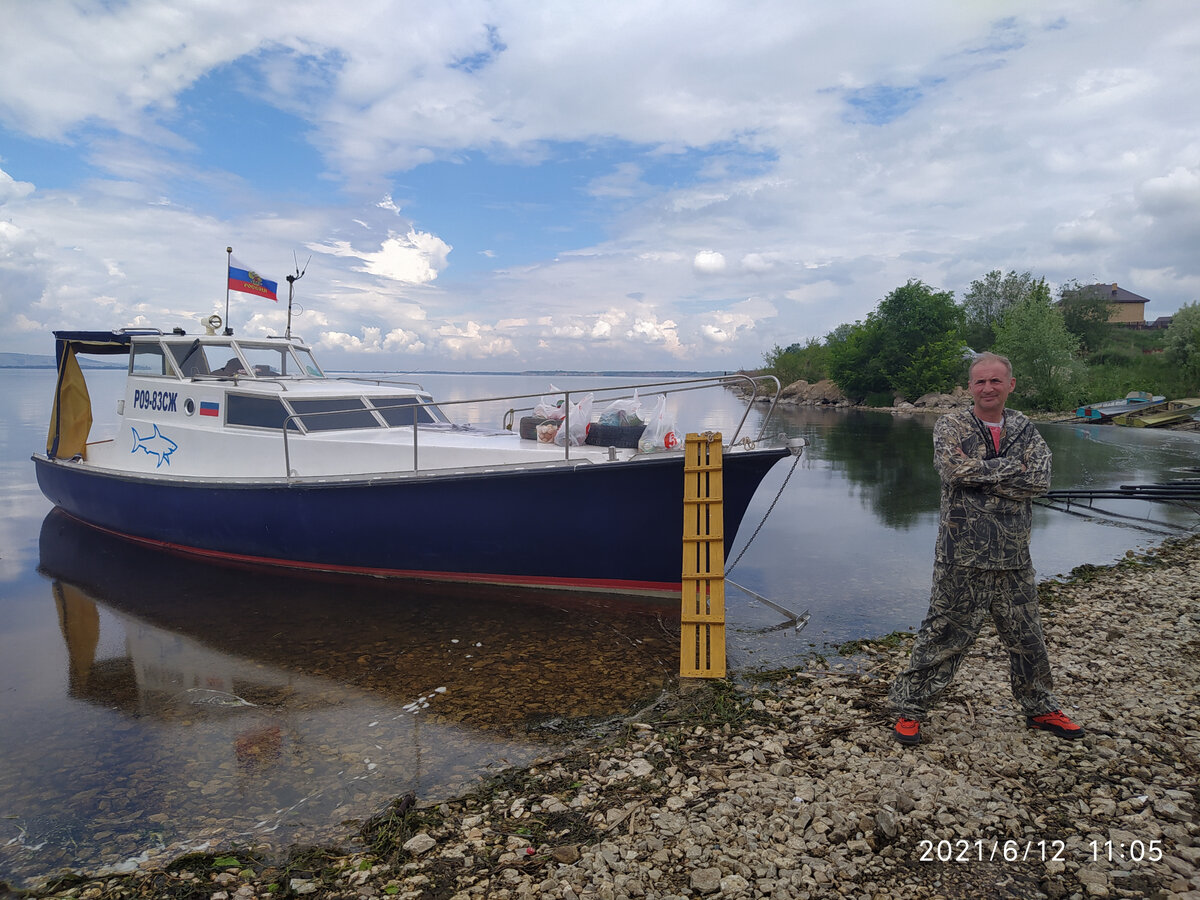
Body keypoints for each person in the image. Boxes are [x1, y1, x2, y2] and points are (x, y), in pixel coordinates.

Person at [887, 352, 1085, 746]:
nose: (988, 388)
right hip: (961, 554)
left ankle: (1040, 707)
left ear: (1010, 385)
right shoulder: (951, 425)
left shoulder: (1025, 428)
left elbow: (1041, 477)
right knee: (943, 633)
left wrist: (984, 476)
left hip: (1014, 555)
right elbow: (953, 470)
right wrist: (1012, 471)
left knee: (1027, 636)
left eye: (996, 381)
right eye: (980, 382)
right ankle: (910, 709)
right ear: (970, 387)